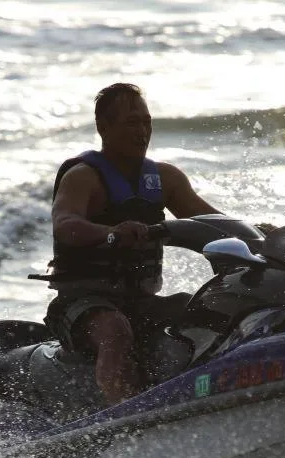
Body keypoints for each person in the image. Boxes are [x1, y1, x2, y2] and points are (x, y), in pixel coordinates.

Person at [44, 83, 222, 406]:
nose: (142, 131)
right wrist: (111, 233)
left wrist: (259, 235)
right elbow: (65, 225)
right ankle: (126, 420)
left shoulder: (165, 179)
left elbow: (212, 223)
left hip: (140, 302)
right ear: (104, 127)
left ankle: (212, 392)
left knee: (207, 308)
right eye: (131, 123)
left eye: (147, 122)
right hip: (83, 305)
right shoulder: (83, 178)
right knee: (115, 331)